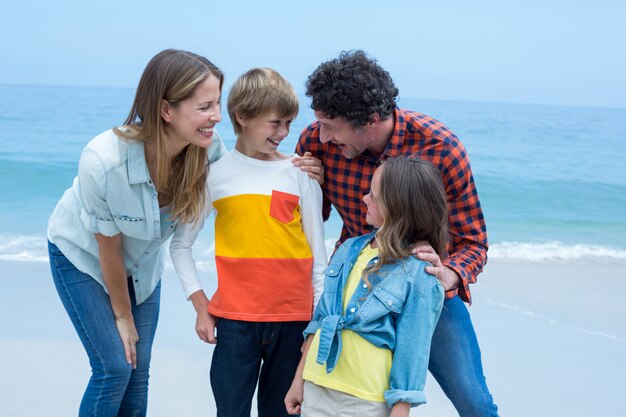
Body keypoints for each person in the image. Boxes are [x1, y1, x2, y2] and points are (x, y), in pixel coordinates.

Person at [294, 50, 499, 416]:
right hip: (356, 287)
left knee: (474, 402)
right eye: (319, 123)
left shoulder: (442, 148)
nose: (321, 137)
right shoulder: (317, 142)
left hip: (422, 287)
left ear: (371, 120)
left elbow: (474, 243)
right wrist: (303, 184)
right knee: (328, 395)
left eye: (331, 126)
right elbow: (310, 221)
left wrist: (445, 274)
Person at [47, 49, 226, 416]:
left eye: (218, 103)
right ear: (166, 110)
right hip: (83, 258)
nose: (217, 117)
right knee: (114, 367)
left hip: (143, 266)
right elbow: (108, 249)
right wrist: (123, 317)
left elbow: (252, 176)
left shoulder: (208, 152)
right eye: (205, 106)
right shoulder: (103, 160)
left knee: (138, 371)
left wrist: (297, 168)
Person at [175, 67, 327, 417]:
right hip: (234, 322)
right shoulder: (215, 175)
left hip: (294, 321)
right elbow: (180, 246)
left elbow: (318, 259)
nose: (284, 132)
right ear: (242, 116)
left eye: (289, 123)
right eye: (275, 123)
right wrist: (201, 306)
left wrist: (315, 328)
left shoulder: (300, 173)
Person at [285, 157, 447, 417]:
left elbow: (413, 349)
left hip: (366, 401)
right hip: (317, 387)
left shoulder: (421, 273)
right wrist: (298, 380)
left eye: (373, 195)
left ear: (397, 207)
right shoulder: (348, 249)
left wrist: (401, 409)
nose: (364, 199)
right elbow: (322, 319)